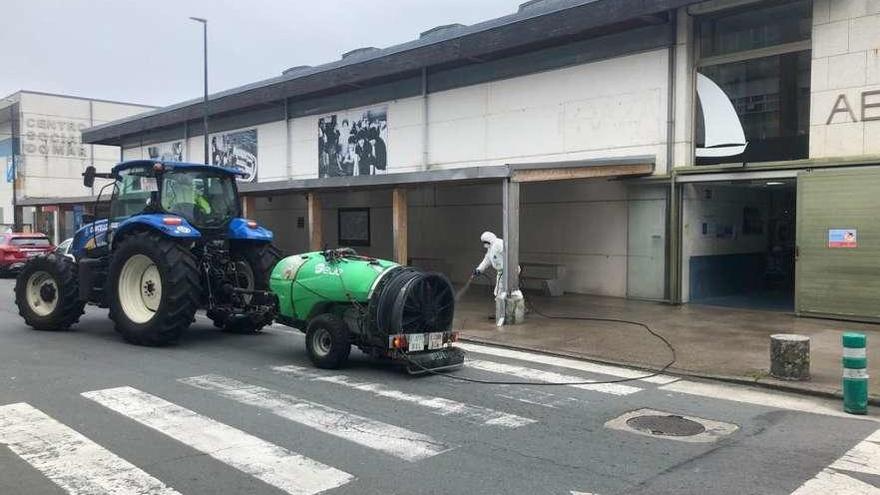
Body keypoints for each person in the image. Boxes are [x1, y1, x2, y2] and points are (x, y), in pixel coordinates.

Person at [474, 231, 505, 297]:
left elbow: (509, 254)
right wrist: (479, 269)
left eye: (485, 242)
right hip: (502, 272)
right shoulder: (491, 248)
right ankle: (504, 305)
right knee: (500, 291)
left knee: (499, 292)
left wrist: (512, 268)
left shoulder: (499, 244)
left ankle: (502, 306)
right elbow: (487, 260)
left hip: (507, 272)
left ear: (489, 240)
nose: (484, 244)